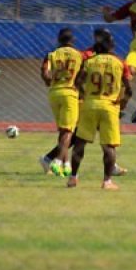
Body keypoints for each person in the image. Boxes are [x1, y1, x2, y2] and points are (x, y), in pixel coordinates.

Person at [39, 28, 129, 177]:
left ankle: (53, 160)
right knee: (76, 133)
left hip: (81, 97)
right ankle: (55, 160)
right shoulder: (85, 55)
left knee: (73, 132)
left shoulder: (89, 54)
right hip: (81, 98)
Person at [68, 31, 132, 190]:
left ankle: (73, 178)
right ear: (112, 46)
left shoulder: (90, 61)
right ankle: (107, 181)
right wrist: (122, 103)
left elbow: (77, 82)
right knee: (109, 147)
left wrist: (84, 95)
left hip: (90, 105)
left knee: (80, 143)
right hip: (109, 107)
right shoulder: (120, 62)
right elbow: (129, 89)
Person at [41, 28, 83, 177]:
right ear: (73, 41)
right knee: (69, 131)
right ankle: (58, 161)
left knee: (64, 131)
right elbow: (82, 76)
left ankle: (66, 165)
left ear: (59, 40)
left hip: (54, 93)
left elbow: (45, 72)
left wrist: (49, 81)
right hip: (70, 93)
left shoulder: (51, 54)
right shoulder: (79, 55)